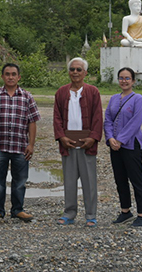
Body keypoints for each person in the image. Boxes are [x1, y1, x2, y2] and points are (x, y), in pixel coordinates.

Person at [0, 63, 40, 222]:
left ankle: (18, 209)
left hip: (20, 147)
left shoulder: (27, 96)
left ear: (19, 77)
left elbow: (32, 122)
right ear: (2, 77)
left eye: (13, 74)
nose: (10, 77)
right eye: (7, 74)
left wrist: (31, 144)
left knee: (20, 181)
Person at [53, 57, 103, 227]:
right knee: (69, 180)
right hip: (68, 143)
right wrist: (61, 137)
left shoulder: (93, 92)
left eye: (79, 69)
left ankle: (91, 215)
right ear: (68, 72)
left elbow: (98, 117)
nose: (75, 72)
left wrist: (93, 138)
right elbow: (57, 117)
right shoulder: (61, 92)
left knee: (89, 180)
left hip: (87, 144)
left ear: (85, 73)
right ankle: (69, 213)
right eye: (72, 69)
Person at [104, 67, 142, 227]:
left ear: (133, 81)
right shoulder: (114, 98)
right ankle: (125, 211)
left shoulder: (138, 99)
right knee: (120, 178)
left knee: (136, 179)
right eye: (121, 78)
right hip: (115, 145)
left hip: (131, 145)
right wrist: (110, 138)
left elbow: (135, 123)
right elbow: (108, 119)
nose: (124, 81)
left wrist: (121, 140)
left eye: (127, 78)